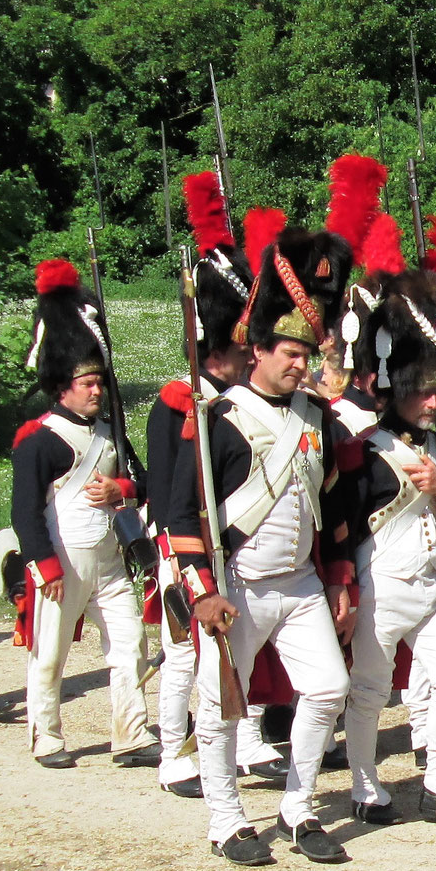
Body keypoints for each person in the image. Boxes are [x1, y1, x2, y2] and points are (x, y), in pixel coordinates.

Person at [164, 222, 356, 867]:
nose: (300, 364)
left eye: (306, 356)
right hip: (236, 581)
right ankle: (225, 818)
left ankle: (298, 810)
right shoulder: (215, 419)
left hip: (300, 583)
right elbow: (180, 515)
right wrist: (201, 592)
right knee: (221, 704)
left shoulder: (316, 419)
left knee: (328, 689)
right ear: (258, 351)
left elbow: (329, 506)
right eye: (290, 355)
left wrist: (337, 580)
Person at [145, 174, 286, 798]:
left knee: (241, 649)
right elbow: (169, 491)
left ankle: (246, 738)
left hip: (235, 539)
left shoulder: (234, 400)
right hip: (185, 540)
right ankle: (173, 749)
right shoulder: (181, 400)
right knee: (186, 653)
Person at [340, 264, 436, 827]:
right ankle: (363, 782)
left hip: (433, 588)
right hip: (382, 587)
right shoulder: (365, 447)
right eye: (423, 390)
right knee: (370, 692)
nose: (432, 402)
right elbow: (342, 528)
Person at [9, 260, 158, 770]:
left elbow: (144, 483)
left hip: (110, 559)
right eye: (87, 383)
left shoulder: (108, 432)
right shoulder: (40, 439)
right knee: (49, 654)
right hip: (64, 563)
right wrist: (44, 566)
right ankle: (45, 736)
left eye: (99, 381)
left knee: (131, 646)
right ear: (62, 386)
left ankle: (131, 733)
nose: (96, 390)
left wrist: (122, 487)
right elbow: (24, 511)